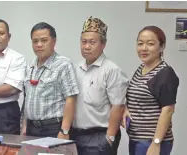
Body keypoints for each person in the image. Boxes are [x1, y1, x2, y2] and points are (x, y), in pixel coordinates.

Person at [71, 16, 129, 155]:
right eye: (83, 42)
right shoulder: (76, 68)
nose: (86, 46)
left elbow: (118, 106)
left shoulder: (111, 70)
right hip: (75, 136)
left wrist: (109, 137)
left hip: (99, 137)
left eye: (92, 42)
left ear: (103, 44)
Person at [124, 26, 179, 155]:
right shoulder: (141, 69)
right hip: (136, 138)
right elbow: (135, 96)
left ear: (162, 47)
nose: (144, 48)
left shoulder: (165, 73)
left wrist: (156, 143)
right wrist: (125, 109)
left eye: (150, 44)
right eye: (140, 43)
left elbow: (168, 110)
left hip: (151, 141)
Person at [21, 22, 79, 139]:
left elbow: (71, 99)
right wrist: (24, 126)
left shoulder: (63, 64)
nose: (39, 44)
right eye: (35, 41)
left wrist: (65, 131)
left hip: (53, 128)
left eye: (44, 40)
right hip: (31, 128)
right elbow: (27, 99)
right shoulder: (31, 65)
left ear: (54, 41)